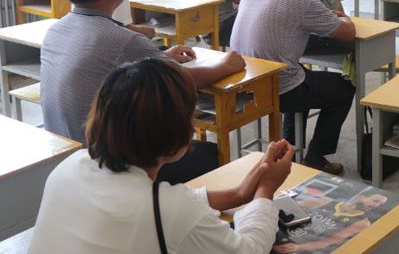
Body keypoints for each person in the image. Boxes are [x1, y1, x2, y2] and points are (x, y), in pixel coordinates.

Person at [29, 58, 294, 254]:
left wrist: (239, 193)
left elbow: (157, 204)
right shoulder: (169, 211)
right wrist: (265, 191)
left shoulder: (71, 165)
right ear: (178, 132)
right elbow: (248, 250)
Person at [40, 0, 245, 183]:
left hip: (66, 160)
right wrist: (227, 64)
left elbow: (111, 64)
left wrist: (159, 55)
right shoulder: (121, 39)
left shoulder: (55, 31)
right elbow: (183, 78)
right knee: (210, 154)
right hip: (108, 168)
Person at [231, 0, 356, 175]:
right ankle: (316, 156)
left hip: (245, 81)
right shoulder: (302, 0)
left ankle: (290, 149)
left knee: (298, 73)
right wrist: (343, 17)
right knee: (345, 86)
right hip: (277, 88)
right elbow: (348, 33)